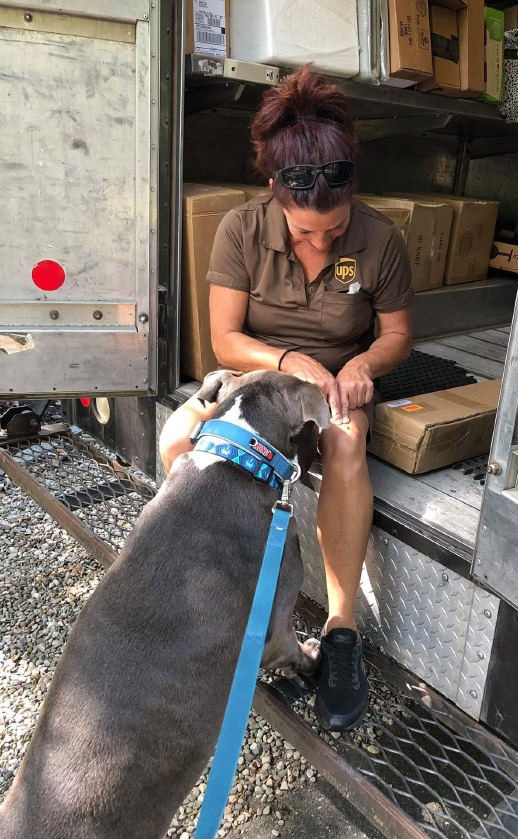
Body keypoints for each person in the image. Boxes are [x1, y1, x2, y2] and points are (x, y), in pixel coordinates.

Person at [160, 66, 413, 732]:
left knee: (350, 444)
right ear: (275, 194)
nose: (323, 242)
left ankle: (340, 630)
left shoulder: (380, 239)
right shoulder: (241, 229)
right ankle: (211, 591)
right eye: (307, 232)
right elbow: (224, 338)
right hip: (257, 381)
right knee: (176, 443)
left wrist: (363, 361)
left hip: (334, 386)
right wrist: (286, 358)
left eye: (335, 231)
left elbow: (396, 335)